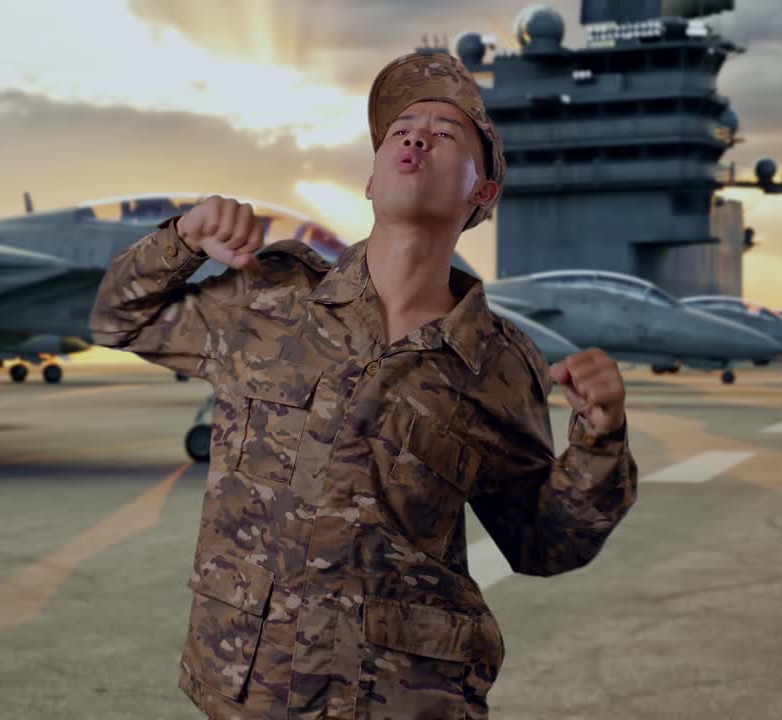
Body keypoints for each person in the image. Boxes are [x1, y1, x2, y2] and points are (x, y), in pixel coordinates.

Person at [89, 50, 638, 720]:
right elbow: (118, 320)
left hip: (403, 698)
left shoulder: (498, 367)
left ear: (482, 192)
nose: (416, 136)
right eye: (402, 128)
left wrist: (600, 441)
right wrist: (180, 239)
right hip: (248, 687)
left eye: (446, 132)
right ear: (372, 183)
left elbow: (544, 542)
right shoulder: (268, 299)